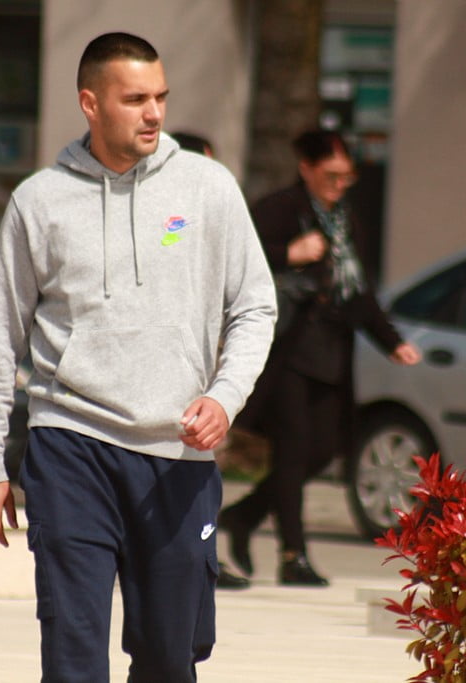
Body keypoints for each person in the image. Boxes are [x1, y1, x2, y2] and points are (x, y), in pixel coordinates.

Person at [0, 32, 276, 682]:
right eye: (135, 99)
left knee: (169, 659)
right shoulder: (39, 202)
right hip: (70, 448)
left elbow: (255, 307)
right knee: (73, 655)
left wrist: (224, 397)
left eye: (160, 97)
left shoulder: (208, 188)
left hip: (177, 457)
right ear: (91, 103)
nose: (154, 113)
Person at [220, 128, 421, 587]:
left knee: (326, 448)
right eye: (331, 175)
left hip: (332, 350)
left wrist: (391, 341)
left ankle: (245, 515)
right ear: (306, 168)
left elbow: (360, 289)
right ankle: (294, 555)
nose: (340, 185)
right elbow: (238, 260)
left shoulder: (345, 218)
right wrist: (289, 253)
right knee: (292, 450)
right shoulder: (280, 209)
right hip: (288, 350)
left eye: (346, 176)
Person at [170, 129, 253, 592]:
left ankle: (204, 553)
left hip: (204, 380)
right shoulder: (169, 226)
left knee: (202, 462)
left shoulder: (214, 216)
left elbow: (248, 300)